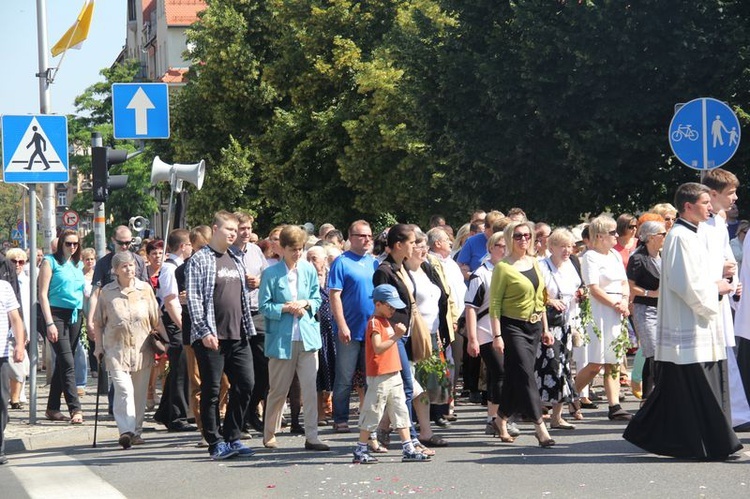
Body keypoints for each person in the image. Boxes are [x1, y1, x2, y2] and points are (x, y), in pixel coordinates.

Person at [624, 183, 743, 460]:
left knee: (680, 393)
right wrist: (716, 289)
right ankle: (716, 444)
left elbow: (698, 272)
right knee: (696, 390)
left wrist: (720, 277)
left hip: (699, 323)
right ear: (688, 206)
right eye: (704, 202)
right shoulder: (679, 236)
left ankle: (676, 440)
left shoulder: (695, 233)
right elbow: (683, 282)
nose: (710, 207)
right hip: (687, 326)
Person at [186, 211, 257, 460]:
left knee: (246, 384)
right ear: (215, 229)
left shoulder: (236, 258)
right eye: (228, 229)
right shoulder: (201, 259)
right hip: (211, 337)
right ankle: (215, 441)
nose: (233, 234)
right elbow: (194, 298)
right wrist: (204, 330)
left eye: (235, 231)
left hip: (238, 334)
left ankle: (233, 436)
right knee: (212, 391)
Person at [258, 225, 328, 451]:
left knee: (309, 388)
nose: (297, 253)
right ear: (282, 249)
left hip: (307, 337)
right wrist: (285, 308)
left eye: (300, 249)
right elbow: (264, 306)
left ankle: (312, 436)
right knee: (278, 390)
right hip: (281, 340)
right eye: (293, 249)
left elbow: (317, 298)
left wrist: (306, 303)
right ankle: (269, 433)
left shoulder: (308, 270)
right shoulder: (270, 273)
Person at [489, 221, 556, 448]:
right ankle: (540, 427)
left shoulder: (535, 262)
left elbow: (542, 297)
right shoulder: (503, 267)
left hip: (535, 326)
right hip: (512, 326)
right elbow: (495, 303)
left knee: (514, 377)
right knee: (527, 375)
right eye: (518, 236)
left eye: (528, 235)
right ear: (510, 239)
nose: (524, 239)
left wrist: (546, 328)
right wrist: (497, 336)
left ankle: (500, 419)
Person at [372, 224, 435, 457]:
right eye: (411, 242)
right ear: (398, 245)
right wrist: (392, 330)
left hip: (405, 334)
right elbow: (381, 305)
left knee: (400, 389)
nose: (415, 246)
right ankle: (411, 440)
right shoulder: (384, 270)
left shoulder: (401, 268)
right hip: (392, 335)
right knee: (405, 388)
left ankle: (383, 433)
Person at [352, 284, 432, 464]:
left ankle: (408, 447)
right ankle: (361, 448)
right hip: (380, 375)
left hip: (393, 373)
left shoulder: (387, 321)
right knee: (373, 411)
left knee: (401, 410)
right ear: (378, 304)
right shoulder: (374, 322)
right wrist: (396, 336)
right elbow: (378, 347)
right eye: (390, 306)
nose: (393, 309)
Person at [93, 251, 160, 449]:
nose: (129, 269)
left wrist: (167, 340)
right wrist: (98, 346)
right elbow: (98, 322)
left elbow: (156, 319)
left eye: (131, 265)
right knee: (124, 389)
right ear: (115, 270)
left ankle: (136, 432)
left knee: (139, 393)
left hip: (142, 348)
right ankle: (126, 430)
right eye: (124, 266)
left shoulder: (145, 289)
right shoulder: (107, 292)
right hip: (116, 348)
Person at [701, 169, 750, 430]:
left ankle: (736, 412)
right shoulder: (699, 225)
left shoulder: (719, 223)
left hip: (721, 297)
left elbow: (727, 258)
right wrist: (721, 272)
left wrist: (732, 279)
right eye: (730, 193)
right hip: (706, 300)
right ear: (713, 194)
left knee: (726, 357)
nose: (735, 198)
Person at [573, 215, 632, 421]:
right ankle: (570, 394)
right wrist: (615, 303)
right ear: (599, 236)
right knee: (595, 363)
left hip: (617, 309)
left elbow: (624, 282)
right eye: (612, 232)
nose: (616, 235)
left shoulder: (615, 256)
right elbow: (594, 288)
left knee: (613, 360)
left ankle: (614, 405)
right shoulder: (590, 257)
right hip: (600, 310)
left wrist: (624, 300)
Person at [465, 232, 520, 440]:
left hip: (508, 329)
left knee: (507, 373)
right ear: (490, 248)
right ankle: (495, 420)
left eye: (508, 245)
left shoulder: (512, 270)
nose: (504, 249)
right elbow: (470, 307)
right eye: (500, 245)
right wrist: (472, 338)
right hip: (486, 330)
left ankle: (500, 417)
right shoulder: (481, 274)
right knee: (499, 372)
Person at [329, 220, 377, 433]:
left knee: (371, 379)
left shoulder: (374, 263)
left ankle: (369, 419)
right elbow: (334, 296)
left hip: (372, 330)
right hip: (350, 329)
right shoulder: (341, 262)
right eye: (361, 236)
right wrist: (342, 325)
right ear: (351, 238)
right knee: (344, 378)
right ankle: (340, 419)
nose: (367, 239)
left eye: (369, 236)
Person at [38, 229, 85, 424]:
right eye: (68, 244)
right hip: (55, 313)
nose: (72, 247)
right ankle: (76, 409)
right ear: (61, 244)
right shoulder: (50, 261)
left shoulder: (78, 263)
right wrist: (49, 323)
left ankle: (52, 408)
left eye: (75, 244)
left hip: (75, 314)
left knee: (64, 362)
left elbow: (84, 290)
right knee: (68, 362)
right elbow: (42, 294)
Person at [537, 228, 581, 429]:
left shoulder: (570, 266)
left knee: (564, 369)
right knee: (549, 368)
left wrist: (581, 294)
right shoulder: (542, 267)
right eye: (562, 246)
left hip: (566, 324)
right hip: (548, 325)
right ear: (551, 247)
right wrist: (550, 301)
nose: (567, 250)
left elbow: (573, 291)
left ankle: (557, 416)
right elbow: (537, 296)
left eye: (570, 246)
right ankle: (535, 412)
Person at [154, 229, 195, 432]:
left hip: (177, 321)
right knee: (180, 370)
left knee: (179, 369)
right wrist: (182, 326)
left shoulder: (176, 266)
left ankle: (164, 412)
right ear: (182, 246)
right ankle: (177, 416)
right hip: (174, 322)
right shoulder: (170, 269)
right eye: (190, 245)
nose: (191, 248)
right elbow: (170, 301)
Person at [233, 212, 269, 434]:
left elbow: (268, 276)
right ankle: (240, 417)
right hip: (237, 315)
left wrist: (260, 281)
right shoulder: (226, 253)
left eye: (248, 228)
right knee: (242, 372)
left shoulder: (255, 251)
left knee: (265, 370)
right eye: (241, 229)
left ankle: (251, 410)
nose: (246, 233)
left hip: (258, 313)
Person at [626, 221, 665, 401]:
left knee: (661, 352)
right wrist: (651, 293)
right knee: (652, 352)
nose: (665, 237)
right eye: (662, 234)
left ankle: (656, 395)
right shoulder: (638, 258)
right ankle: (648, 397)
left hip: (663, 310)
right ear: (650, 238)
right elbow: (631, 286)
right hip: (645, 309)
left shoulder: (663, 256)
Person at [307, 246, 335, 424]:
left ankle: (336, 411)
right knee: (316, 373)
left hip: (332, 330)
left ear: (324, 260)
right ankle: (319, 412)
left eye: (315, 258)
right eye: (308, 258)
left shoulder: (332, 277)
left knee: (334, 370)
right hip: (314, 330)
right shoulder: (306, 279)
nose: (311, 262)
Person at [0, 278, 26, 465]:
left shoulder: (4, 287)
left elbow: (15, 318)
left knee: (2, 402)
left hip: (1, 354)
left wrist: (19, 345)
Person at [4, 249, 29, 410]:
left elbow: (29, 309)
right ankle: (13, 398)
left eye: (21, 262)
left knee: (22, 365)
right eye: (14, 261)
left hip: (22, 329)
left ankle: (16, 397)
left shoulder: (28, 282)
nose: (18, 265)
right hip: (5, 329)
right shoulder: (5, 283)